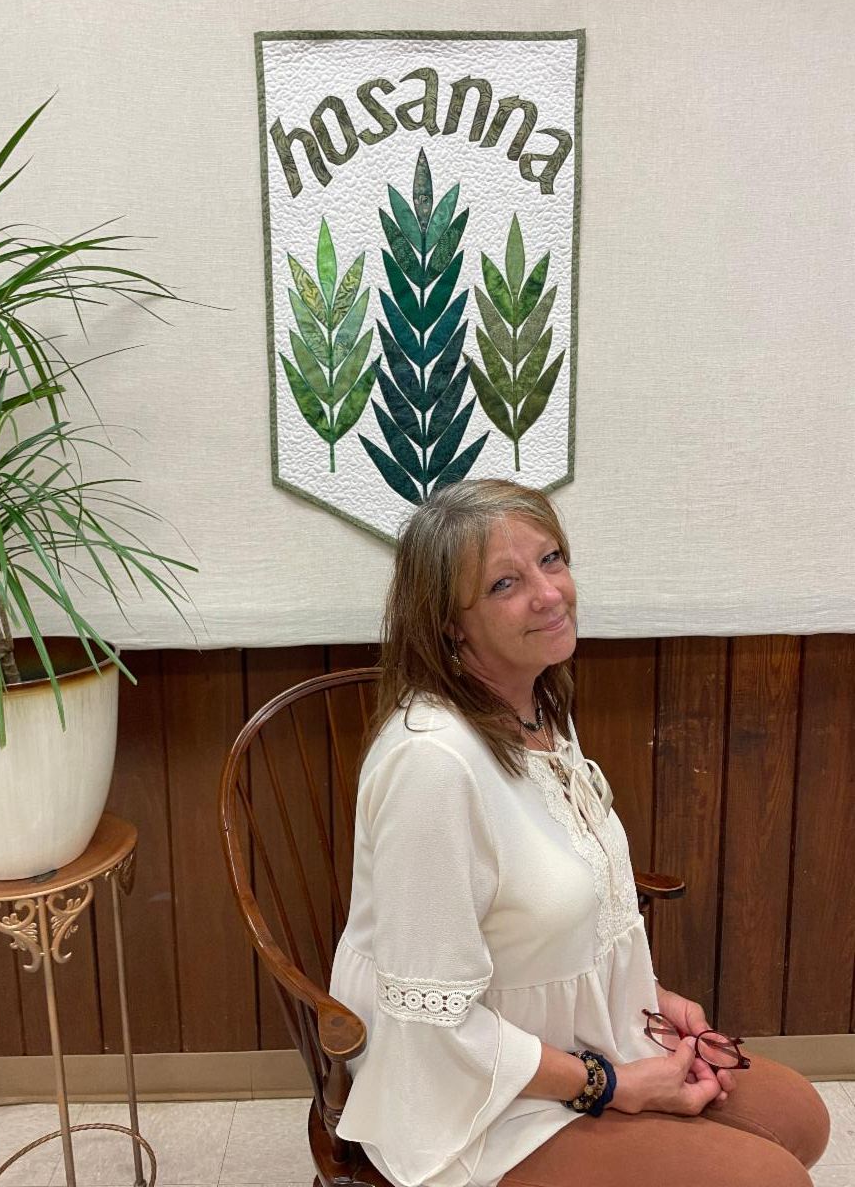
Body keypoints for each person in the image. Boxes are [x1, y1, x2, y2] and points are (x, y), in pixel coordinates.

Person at [329, 479, 829, 1187]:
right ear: (449, 625)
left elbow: (560, 907)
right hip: (467, 1092)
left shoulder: (534, 705)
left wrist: (649, 1001)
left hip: (577, 1036)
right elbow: (434, 1025)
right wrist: (613, 1085)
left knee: (802, 1118)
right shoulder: (431, 766)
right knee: (771, 1179)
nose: (549, 594)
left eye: (551, 559)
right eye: (505, 583)